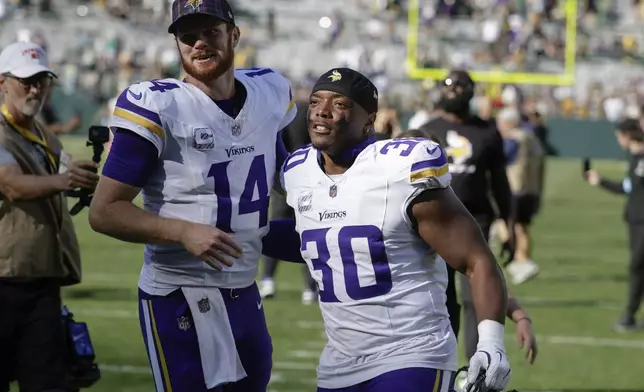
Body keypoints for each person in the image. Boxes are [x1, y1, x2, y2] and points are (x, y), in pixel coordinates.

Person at [88, 0, 299, 390]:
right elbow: (104, 212)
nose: (199, 43)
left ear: (234, 35)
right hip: (179, 291)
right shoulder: (158, 105)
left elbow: (282, 170)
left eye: (211, 32)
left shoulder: (268, 91)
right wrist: (182, 232)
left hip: (244, 286)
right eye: (188, 36)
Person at [281, 68, 511, 392]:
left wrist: (491, 342)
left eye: (340, 103)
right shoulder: (298, 171)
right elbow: (315, 242)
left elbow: (477, 259)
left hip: (411, 355)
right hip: (339, 363)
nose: (322, 110)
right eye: (316, 100)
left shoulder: (400, 169)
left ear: (368, 119)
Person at [0, 42, 98, 392]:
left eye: (41, 79)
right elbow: (11, 184)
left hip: (41, 279)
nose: (35, 88)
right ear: (2, 83)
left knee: (49, 384)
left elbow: (66, 177)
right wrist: (65, 179)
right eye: (25, 80)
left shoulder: (45, 136)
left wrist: (87, 176)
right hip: (4, 279)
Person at [417, 70, 521, 372]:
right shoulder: (427, 129)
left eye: (459, 86)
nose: (452, 91)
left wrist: (509, 225)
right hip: (432, 223)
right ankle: (442, 365)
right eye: (447, 86)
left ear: (470, 92)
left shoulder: (486, 132)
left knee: (477, 296)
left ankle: (479, 366)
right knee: (438, 298)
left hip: (475, 222)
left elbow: (500, 183)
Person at [259, 87, 318, 304]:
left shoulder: (285, 116)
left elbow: (276, 148)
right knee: (309, 235)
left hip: (286, 179)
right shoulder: (313, 115)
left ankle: (267, 280)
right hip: (310, 182)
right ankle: (310, 288)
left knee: (276, 228)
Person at [586, 118, 644, 331]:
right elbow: (628, 188)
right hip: (635, 219)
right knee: (638, 267)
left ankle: (629, 315)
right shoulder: (634, 156)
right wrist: (600, 181)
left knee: (637, 267)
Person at [496, 107, 543, 284]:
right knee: (521, 226)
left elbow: (502, 157)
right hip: (531, 189)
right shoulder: (531, 137)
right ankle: (523, 260)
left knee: (507, 224)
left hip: (515, 188)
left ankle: (520, 260)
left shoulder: (515, 139)